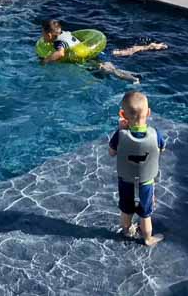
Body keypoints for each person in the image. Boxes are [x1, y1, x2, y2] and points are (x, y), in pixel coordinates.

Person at [109, 90, 165, 247]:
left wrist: (121, 130)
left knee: (126, 210)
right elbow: (161, 150)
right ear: (148, 113)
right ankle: (148, 239)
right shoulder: (156, 134)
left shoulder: (120, 135)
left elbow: (111, 152)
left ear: (122, 114)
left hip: (125, 181)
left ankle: (127, 231)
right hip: (146, 182)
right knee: (145, 214)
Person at [40, 20, 141, 82]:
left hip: (86, 60)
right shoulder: (67, 34)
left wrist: (46, 60)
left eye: (43, 33)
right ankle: (132, 76)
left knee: (108, 70)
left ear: (49, 35)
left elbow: (60, 53)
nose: (42, 36)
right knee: (110, 68)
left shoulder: (58, 42)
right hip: (91, 54)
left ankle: (132, 79)